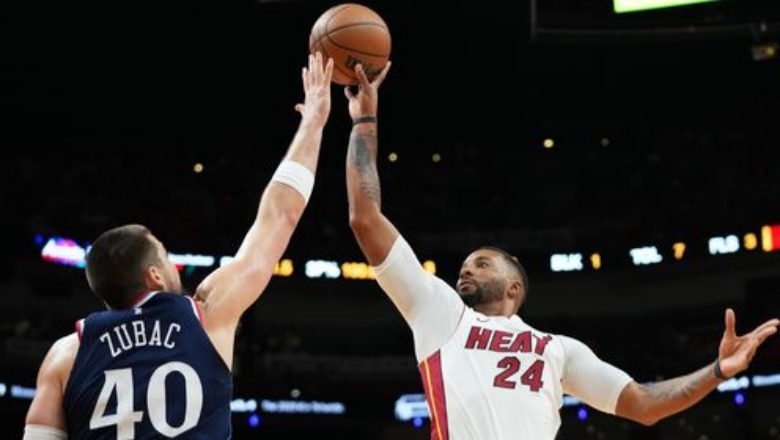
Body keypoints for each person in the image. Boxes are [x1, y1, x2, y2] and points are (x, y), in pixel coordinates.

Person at [343, 61, 780, 439]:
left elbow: (644, 404)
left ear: (514, 286)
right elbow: (365, 217)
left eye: (481, 263)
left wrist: (717, 371)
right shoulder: (440, 312)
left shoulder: (559, 349)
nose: (466, 271)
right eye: (465, 266)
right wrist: (365, 119)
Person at [23, 52, 334, 439]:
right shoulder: (206, 315)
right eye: (166, 256)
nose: (174, 266)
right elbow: (279, 216)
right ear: (154, 275)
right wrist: (314, 123)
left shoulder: (65, 355)